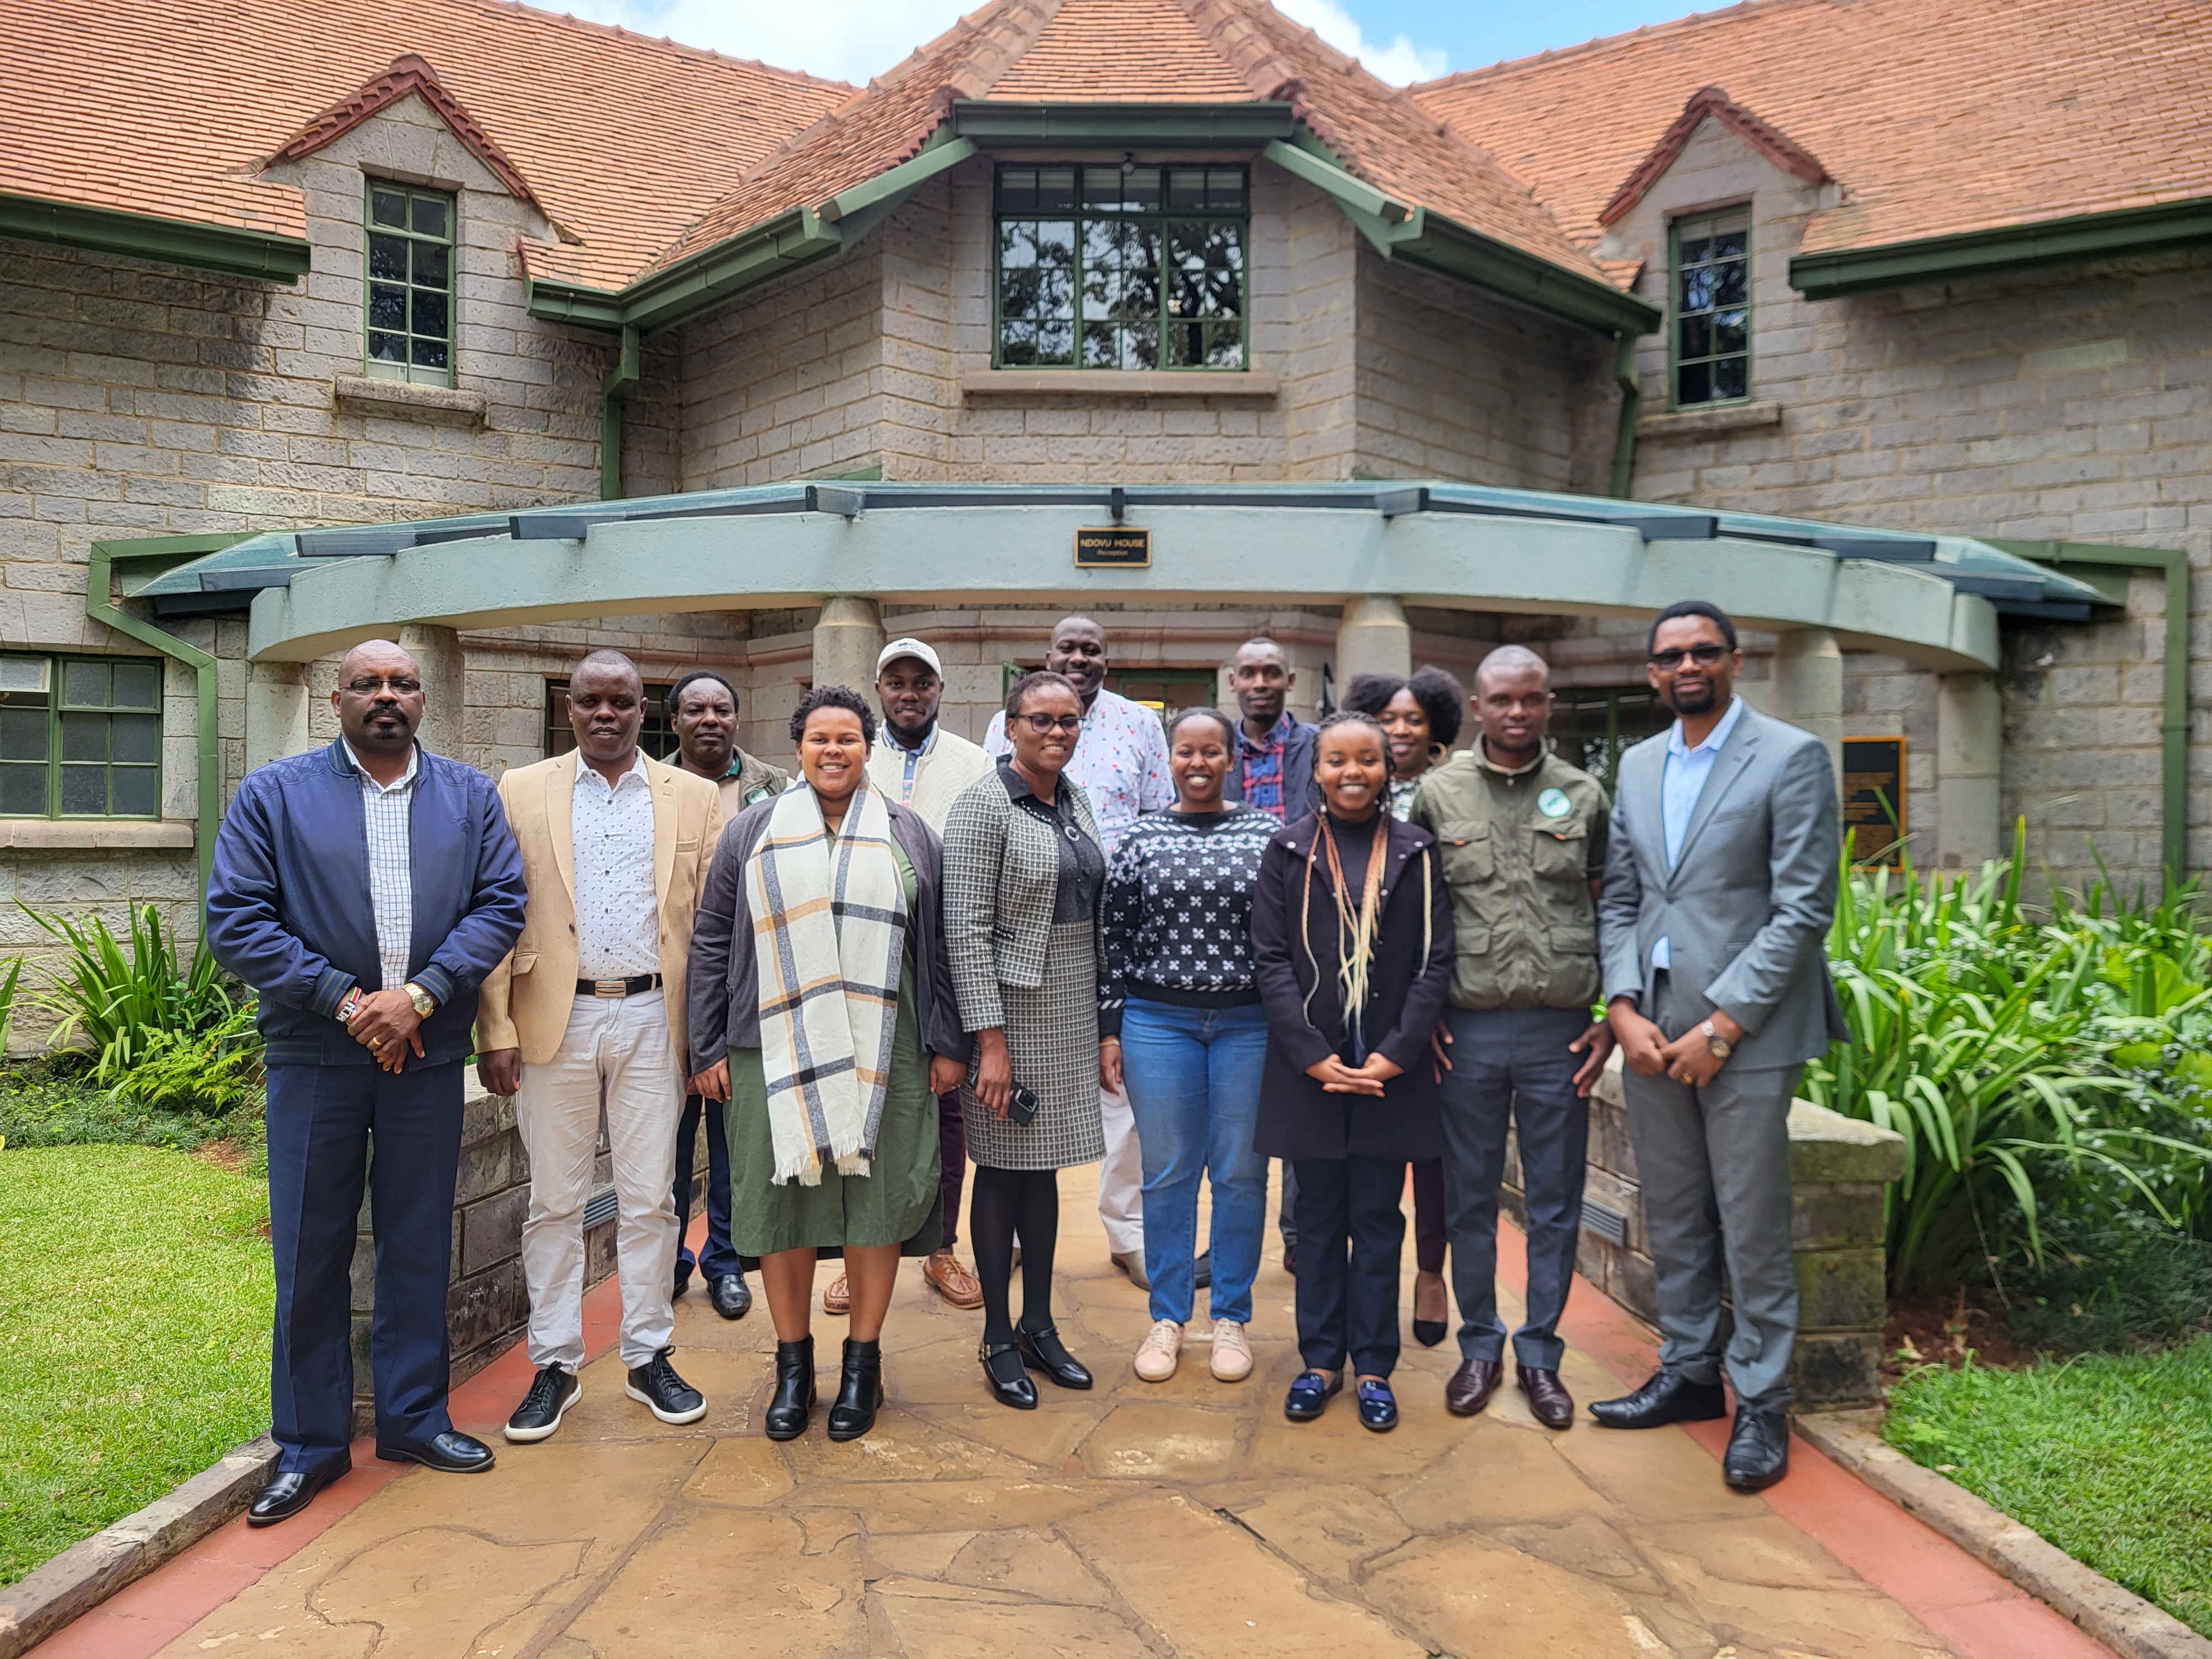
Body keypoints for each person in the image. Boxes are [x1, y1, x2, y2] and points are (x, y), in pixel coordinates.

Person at [206, 640, 525, 1525]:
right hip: (317, 1058)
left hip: (423, 1053)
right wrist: (349, 1005)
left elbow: (502, 901)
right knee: (311, 1251)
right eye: (367, 684)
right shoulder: (275, 796)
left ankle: (414, 1420)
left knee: (418, 1242)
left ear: (424, 699)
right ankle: (309, 1447)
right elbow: (237, 918)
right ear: (336, 699)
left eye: (403, 683)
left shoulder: (467, 797)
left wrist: (419, 998)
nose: (386, 696)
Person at [1594, 599, 1845, 1491]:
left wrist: (1724, 1025)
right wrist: (1621, 1005)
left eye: (1704, 651)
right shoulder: (1635, 764)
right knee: (1675, 1215)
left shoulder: (1790, 756)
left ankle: (1764, 1403)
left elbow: (1804, 907)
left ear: (1736, 661)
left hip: (1748, 1033)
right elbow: (1621, 896)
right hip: (1653, 1029)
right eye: (1670, 656)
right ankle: (1693, 1374)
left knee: (1751, 1222)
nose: (1686, 666)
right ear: (1654, 672)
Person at [686, 686, 967, 1441]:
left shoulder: (910, 834)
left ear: (867, 748)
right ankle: (793, 1366)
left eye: (848, 738)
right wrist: (706, 1045)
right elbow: (712, 939)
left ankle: (863, 1365)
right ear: (798, 747)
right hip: (770, 1050)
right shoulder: (752, 832)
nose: (834, 750)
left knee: (875, 1206)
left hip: (892, 1050)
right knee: (784, 1212)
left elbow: (936, 948)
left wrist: (947, 1042)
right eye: (819, 738)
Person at [477, 649, 723, 1443]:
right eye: (590, 702)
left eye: (621, 701)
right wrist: (498, 1028)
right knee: (555, 1201)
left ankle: (649, 1353)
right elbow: (496, 915)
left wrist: (710, 1035)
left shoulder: (694, 796)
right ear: (572, 708)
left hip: (658, 1017)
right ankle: (555, 1364)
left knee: (653, 1199)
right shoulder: (521, 790)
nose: (606, 714)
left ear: (644, 708)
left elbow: (712, 929)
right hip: (558, 1019)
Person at [1408, 646, 1613, 1428]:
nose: (1516, 713)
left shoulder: (1583, 795)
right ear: (1478, 703)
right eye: (1501, 700)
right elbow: (1415, 917)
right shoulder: (1438, 793)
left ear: (1549, 704)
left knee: (1557, 1201)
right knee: (1469, 1198)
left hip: (1561, 1031)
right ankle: (1480, 1346)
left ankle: (1540, 1356)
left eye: (1531, 700)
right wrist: (1423, 1020)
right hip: (1468, 1032)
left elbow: (1610, 903)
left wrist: (1607, 1017)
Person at [1252, 712, 1452, 1432]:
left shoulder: (1415, 851)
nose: (1352, 773)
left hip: (1389, 1074)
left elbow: (1435, 963)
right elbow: (1270, 959)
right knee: (1316, 1218)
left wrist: (1399, 1053)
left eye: (1367, 760)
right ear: (1318, 769)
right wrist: (1311, 1055)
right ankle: (1319, 1360)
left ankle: (1373, 1366)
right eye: (1338, 760)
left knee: (1376, 1220)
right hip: (1312, 1070)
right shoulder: (1288, 850)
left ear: (1386, 767)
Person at [983, 617, 1177, 1292]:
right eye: (1067, 647)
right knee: (1020, 1096)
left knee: (1119, 1082)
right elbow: (995, 816)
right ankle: (1004, 1235)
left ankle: (1126, 1235)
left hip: (1119, 927)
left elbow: (1159, 818)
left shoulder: (1139, 725)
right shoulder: (1006, 727)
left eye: (1091, 649)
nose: (1079, 658)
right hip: (1036, 935)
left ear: (1106, 659)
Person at [1102, 706, 1277, 1384]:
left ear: (1231, 759)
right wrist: (1109, 1029)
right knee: (1168, 1174)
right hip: (1158, 1022)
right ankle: (1168, 1317)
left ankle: (1230, 1315)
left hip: (1248, 1024)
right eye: (1184, 752)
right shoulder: (1142, 837)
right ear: (1167, 760)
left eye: (1211, 752)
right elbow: (1114, 938)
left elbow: (1286, 936)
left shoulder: (1267, 834)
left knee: (1239, 1174)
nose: (1197, 763)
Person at [951, 671, 1112, 1409]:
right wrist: (991, 1042)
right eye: (1042, 720)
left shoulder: (1072, 798)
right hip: (1011, 1012)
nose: (1057, 733)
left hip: (1070, 1002)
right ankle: (994, 1335)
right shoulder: (985, 804)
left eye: (1070, 721)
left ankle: (1038, 1324)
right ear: (1010, 725)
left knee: (1042, 1169)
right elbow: (965, 930)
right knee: (1003, 1167)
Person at [852, 635, 995, 1313]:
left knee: (945, 1103)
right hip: (862, 953)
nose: (909, 694)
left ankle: (941, 1247)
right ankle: (858, 1249)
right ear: (880, 689)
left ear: (940, 690)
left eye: (922, 683)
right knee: (863, 1101)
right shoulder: (851, 749)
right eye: (896, 682)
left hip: (947, 952)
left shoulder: (974, 762)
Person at [1342, 665, 1466, 1347]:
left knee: (1433, 1150)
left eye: (1413, 719)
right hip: (1365, 997)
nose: (1399, 730)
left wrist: (1436, 1006)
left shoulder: (1451, 792)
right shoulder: (1353, 787)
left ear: (1436, 727)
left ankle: (1430, 1272)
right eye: (1387, 718)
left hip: (1434, 990)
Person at [666, 667, 785, 1323]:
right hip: (666, 984)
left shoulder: (773, 788)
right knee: (670, 1138)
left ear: (736, 719)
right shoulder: (650, 784)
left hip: (746, 989)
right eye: (695, 709)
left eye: (721, 709)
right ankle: (671, 1262)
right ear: (675, 720)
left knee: (734, 1136)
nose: (709, 719)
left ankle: (726, 1261)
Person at [1217, 635, 1320, 1274]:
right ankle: (1227, 1240)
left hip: (1307, 932)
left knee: (1304, 1081)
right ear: (1232, 681)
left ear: (1288, 679)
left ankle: (1299, 1233)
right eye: (1249, 672)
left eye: (1271, 672)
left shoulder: (1313, 745)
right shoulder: (1215, 746)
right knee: (1236, 1105)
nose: (1259, 681)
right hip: (1227, 938)